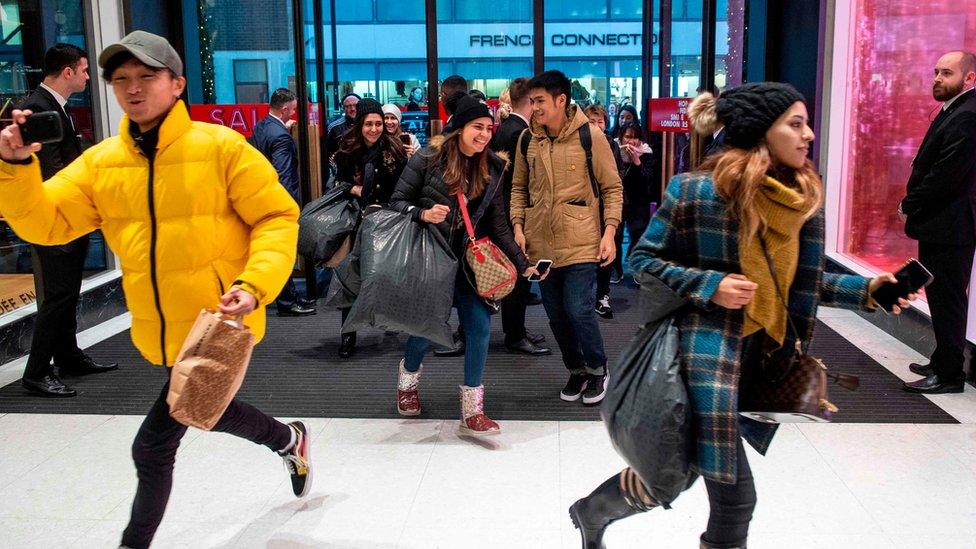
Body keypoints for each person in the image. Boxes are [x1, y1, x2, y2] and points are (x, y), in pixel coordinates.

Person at [0, 31, 313, 548]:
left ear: (177, 84)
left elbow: (278, 217)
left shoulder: (221, 148)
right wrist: (15, 168)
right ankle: (289, 439)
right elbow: (46, 223)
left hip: (218, 320)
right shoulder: (103, 163)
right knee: (205, 406)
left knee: (153, 447)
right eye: (120, 79)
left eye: (147, 77)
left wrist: (255, 284)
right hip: (161, 328)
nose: (133, 89)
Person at [568, 82, 914, 549]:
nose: (808, 134)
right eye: (795, 124)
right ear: (759, 131)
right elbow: (643, 261)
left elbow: (799, 284)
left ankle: (591, 511)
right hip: (700, 363)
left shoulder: (801, 203)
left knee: (678, 472)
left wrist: (869, 291)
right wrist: (711, 285)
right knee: (734, 500)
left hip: (761, 358)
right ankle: (593, 512)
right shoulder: (696, 192)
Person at [389, 94, 541, 434]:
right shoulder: (428, 159)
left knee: (480, 329)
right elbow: (396, 202)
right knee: (425, 329)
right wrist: (424, 214)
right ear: (458, 129)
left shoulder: (494, 167)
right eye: (477, 127)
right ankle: (408, 382)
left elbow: (498, 224)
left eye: (489, 128)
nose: (485, 134)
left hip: (472, 264)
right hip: (432, 257)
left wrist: (524, 264)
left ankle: (472, 410)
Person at [510, 70, 623, 405]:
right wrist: (518, 225)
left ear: (561, 100)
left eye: (540, 101)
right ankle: (576, 370)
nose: (534, 108)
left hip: (582, 241)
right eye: (532, 102)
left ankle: (598, 367)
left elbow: (612, 188)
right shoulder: (527, 139)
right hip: (540, 245)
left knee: (579, 309)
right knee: (556, 314)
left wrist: (611, 232)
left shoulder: (590, 135)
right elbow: (518, 188)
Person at [17, 43, 118, 397]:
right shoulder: (35, 108)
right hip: (53, 221)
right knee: (58, 297)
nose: (89, 77)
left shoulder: (55, 106)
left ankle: (69, 355)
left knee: (67, 293)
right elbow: (48, 173)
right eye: (85, 70)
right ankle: (36, 372)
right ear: (68, 72)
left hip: (68, 218)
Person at [901, 50, 976, 394]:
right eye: (936, 72)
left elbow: (946, 175)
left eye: (946, 73)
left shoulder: (967, 116)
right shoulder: (955, 110)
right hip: (942, 225)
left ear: (969, 78)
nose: (937, 78)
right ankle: (942, 359)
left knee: (948, 298)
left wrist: (909, 203)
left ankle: (949, 374)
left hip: (952, 226)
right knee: (941, 295)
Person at [333, 99, 409, 358]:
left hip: (387, 221)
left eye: (378, 123)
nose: (375, 129)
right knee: (351, 277)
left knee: (387, 274)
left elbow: (404, 185)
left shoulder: (394, 149)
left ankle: (393, 324)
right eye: (369, 124)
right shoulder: (346, 149)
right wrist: (354, 188)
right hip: (356, 221)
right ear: (359, 125)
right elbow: (338, 182)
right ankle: (347, 335)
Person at [489, 77, 550, 356]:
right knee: (519, 274)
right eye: (537, 100)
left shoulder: (507, 128)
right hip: (513, 213)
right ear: (529, 100)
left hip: (506, 210)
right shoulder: (518, 133)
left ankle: (517, 331)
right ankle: (515, 334)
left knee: (519, 274)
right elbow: (520, 180)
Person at [251, 87, 316, 318]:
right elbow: (284, 174)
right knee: (284, 250)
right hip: (279, 201)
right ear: (285, 108)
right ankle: (288, 302)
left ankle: (289, 297)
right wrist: (289, 207)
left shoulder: (262, 126)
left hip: (261, 197)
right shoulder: (279, 135)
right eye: (294, 110)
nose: (295, 114)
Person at [586, 104, 627, 320]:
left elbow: (616, 178)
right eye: (591, 121)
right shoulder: (579, 144)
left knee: (607, 250)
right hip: (585, 209)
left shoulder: (612, 144)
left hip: (607, 207)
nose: (596, 126)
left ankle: (603, 295)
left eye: (599, 121)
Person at [325, 92, 360, 176]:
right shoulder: (334, 127)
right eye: (348, 106)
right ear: (343, 108)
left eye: (356, 105)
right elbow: (328, 153)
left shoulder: (367, 124)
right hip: (343, 174)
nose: (352, 109)